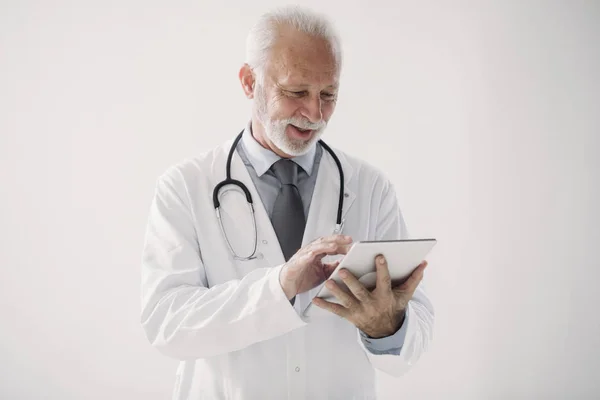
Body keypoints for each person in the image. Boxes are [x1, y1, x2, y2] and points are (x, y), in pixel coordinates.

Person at [140, 5, 434, 399]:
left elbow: (415, 333)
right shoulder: (185, 186)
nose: (314, 113)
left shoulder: (370, 188)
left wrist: (387, 327)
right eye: (295, 92)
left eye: (328, 94)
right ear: (249, 82)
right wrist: (280, 285)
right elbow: (167, 324)